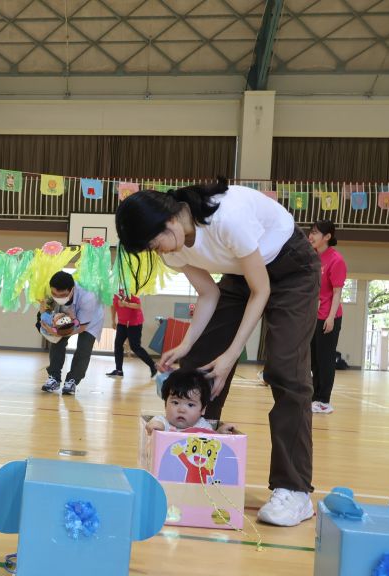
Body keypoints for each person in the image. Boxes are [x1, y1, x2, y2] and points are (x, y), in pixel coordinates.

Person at [116, 177, 321, 527]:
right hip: (241, 273)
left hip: (291, 270)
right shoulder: (173, 248)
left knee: (286, 372)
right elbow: (209, 294)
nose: (159, 251)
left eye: (155, 243)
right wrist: (186, 344)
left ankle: (295, 490)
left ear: (169, 222)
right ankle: (197, 445)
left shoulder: (228, 218)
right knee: (197, 365)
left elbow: (263, 291)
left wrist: (232, 355)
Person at [39, 271, 105, 396]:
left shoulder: (88, 297)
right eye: (54, 294)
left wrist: (56, 332)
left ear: (72, 290)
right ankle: (54, 378)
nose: (57, 297)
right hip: (66, 316)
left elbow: (81, 327)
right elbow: (45, 311)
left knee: (84, 348)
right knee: (57, 343)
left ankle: (72, 380)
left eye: (62, 294)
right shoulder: (49, 292)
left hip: (90, 321)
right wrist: (50, 327)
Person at [308, 221, 347, 414]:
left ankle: (324, 400)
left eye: (315, 233)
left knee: (325, 359)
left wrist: (330, 318)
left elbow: (337, 293)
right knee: (314, 359)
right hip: (313, 316)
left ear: (327, 237)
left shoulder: (336, 260)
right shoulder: (313, 257)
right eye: (311, 232)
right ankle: (315, 398)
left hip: (329, 316)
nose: (311, 236)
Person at [145, 369, 236, 433]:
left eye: (190, 405)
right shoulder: (163, 422)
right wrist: (155, 427)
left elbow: (213, 441)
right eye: (175, 403)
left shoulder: (203, 427)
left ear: (203, 409)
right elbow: (153, 425)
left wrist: (219, 433)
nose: (181, 410)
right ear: (165, 404)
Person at [106, 290, 157, 379]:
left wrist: (126, 304)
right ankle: (119, 370)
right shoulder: (115, 292)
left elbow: (138, 305)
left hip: (134, 323)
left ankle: (153, 365)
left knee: (135, 347)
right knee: (118, 344)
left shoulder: (131, 291)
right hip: (122, 323)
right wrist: (113, 320)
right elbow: (113, 306)